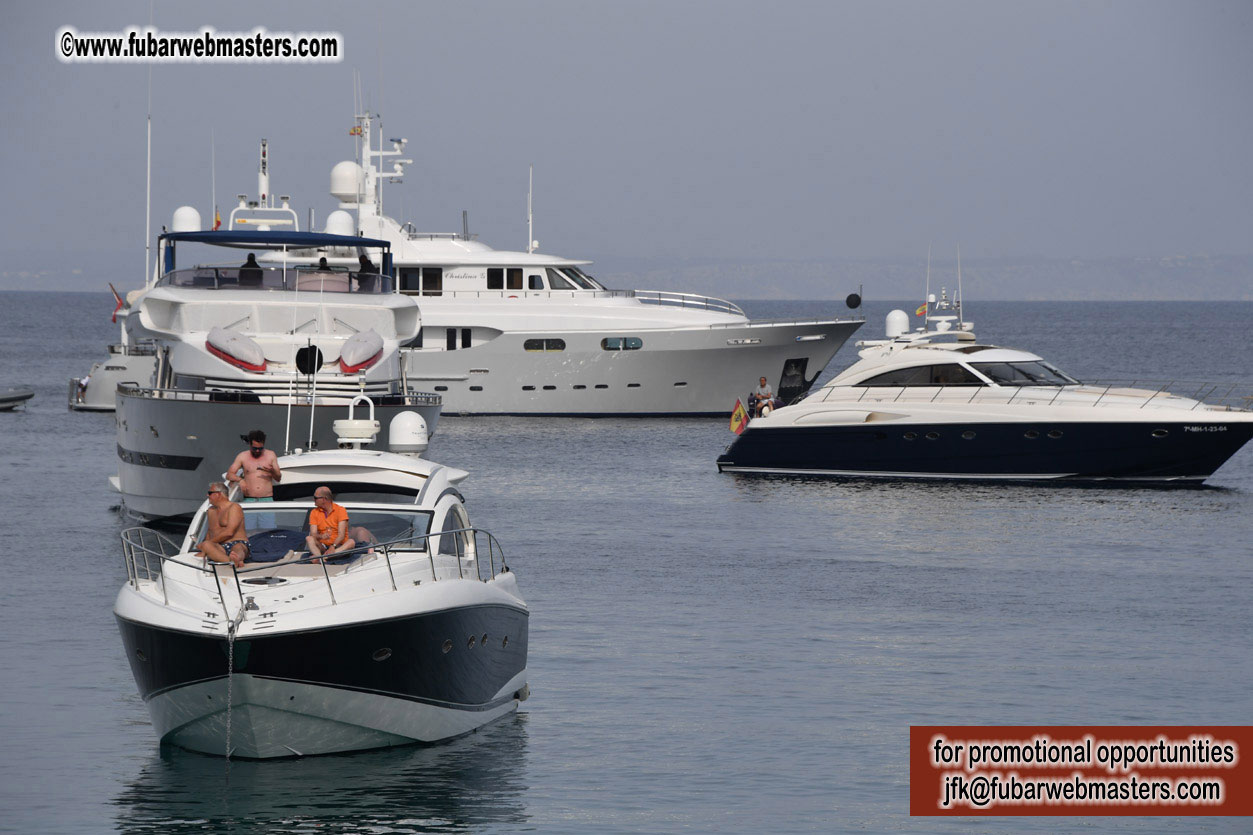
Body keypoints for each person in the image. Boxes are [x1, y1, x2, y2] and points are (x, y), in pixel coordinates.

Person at [196, 482, 250, 568]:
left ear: (218, 494)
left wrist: (209, 542)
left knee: (237, 548)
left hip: (236, 542)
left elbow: (229, 532)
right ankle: (231, 561)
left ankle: (236, 558)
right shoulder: (211, 510)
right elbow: (210, 532)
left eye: (210, 493)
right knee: (206, 545)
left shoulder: (234, 507)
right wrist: (204, 548)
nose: (207, 495)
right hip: (219, 546)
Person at [226, 430, 282, 500]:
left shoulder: (271, 455)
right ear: (250, 444)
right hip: (249, 499)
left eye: (260, 448)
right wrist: (240, 480)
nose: (257, 451)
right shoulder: (242, 456)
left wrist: (272, 471)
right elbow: (229, 475)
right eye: (255, 448)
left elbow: (278, 478)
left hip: (267, 499)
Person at [306, 486, 355, 560]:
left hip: (338, 546)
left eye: (315, 498)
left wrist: (333, 546)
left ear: (324, 499)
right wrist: (321, 536)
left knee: (351, 542)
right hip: (322, 547)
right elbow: (313, 534)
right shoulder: (314, 512)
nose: (313, 500)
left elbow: (341, 535)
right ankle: (322, 557)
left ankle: (323, 558)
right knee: (309, 538)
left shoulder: (340, 510)